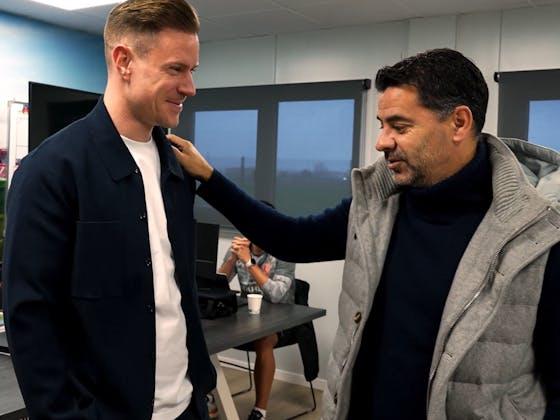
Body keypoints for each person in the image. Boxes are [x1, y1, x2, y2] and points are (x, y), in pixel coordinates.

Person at [169, 48, 560, 419]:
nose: (381, 141)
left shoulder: (538, 233)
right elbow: (293, 239)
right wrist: (210, 179)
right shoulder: (376, 204)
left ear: (459, 122)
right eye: (381, 125)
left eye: (400, 126)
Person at [2, 1, 215, 419]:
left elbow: (176, 292)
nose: (190, 87)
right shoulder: (51, 171)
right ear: (124, 62)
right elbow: (30, 318)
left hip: (186, 406)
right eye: (176, 69)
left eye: (192, 70)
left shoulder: (177, 168)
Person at [218, 201, 295, 420]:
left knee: (264, 339)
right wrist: (233, 258)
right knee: (204, 332)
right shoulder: (241, 249)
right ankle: (209, 396)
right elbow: (219, 284)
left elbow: (277, 295)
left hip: (282, 319)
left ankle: (260, 410)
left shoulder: (283, 251)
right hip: (249, 317)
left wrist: (249, 263)